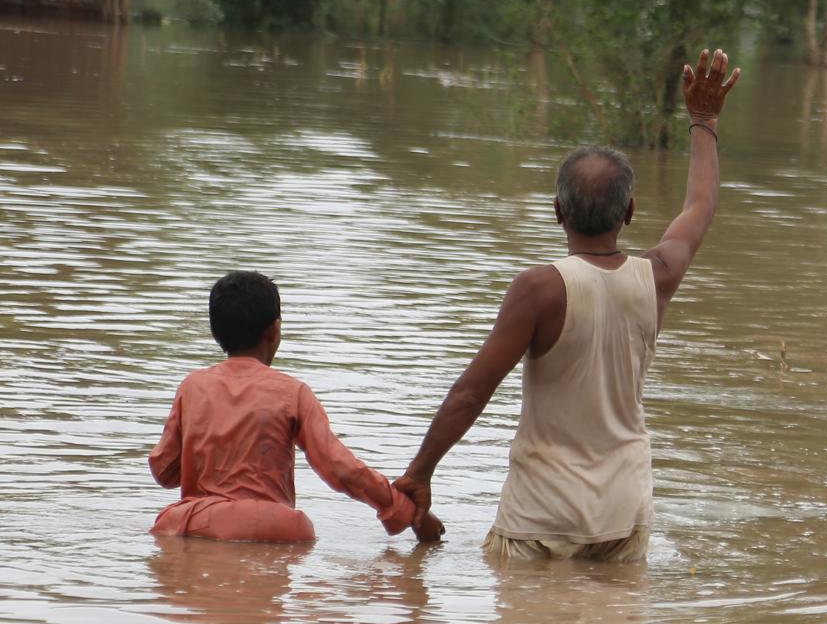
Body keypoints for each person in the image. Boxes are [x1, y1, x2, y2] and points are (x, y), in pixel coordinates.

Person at [393, 49, 741, 563]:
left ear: (557, 211)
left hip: (541, 513)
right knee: (613, 616)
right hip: (623, 511)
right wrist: (704, 121)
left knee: (525, 616)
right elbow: (700, 206)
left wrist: (420, 472)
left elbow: (471, 392)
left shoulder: (540, 289)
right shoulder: (657, 276)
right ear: (629, 211)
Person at [148, 272, 432, 543]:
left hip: (202, 524)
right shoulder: (293, 392)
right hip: (276, 527)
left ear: (215, 332)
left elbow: (164, 471)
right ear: (274, 330)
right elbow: (339, 467)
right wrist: (405, 510)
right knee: (299, 530)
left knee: (170, 522)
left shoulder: (193, 386)